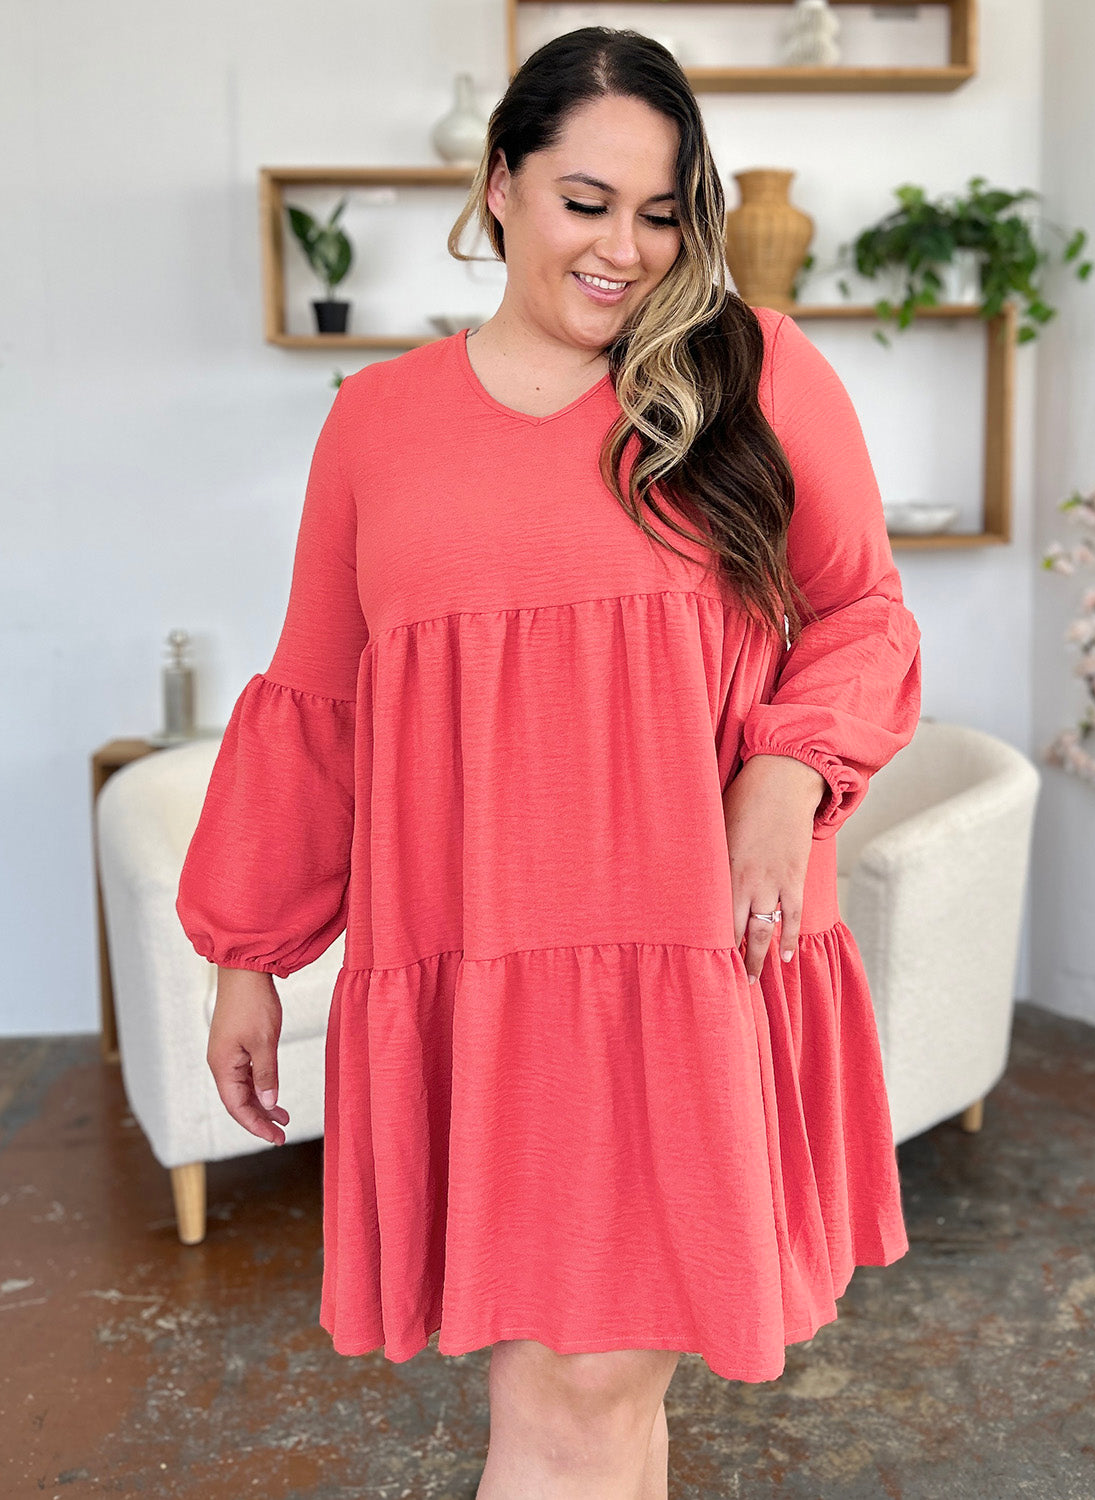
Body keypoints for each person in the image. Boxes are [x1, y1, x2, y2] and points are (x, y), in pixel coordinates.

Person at [176, 24, 923, 1499]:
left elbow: (862, 612)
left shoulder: (754, 373)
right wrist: (244, 955)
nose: (628, 250)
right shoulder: (377, 423)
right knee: (569, 1405)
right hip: (479, 970)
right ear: (500, 184)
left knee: (580, 1399)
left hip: (690, 960)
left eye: (662, 212)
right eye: (588, 202)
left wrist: (783, 772)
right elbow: (323, 698)